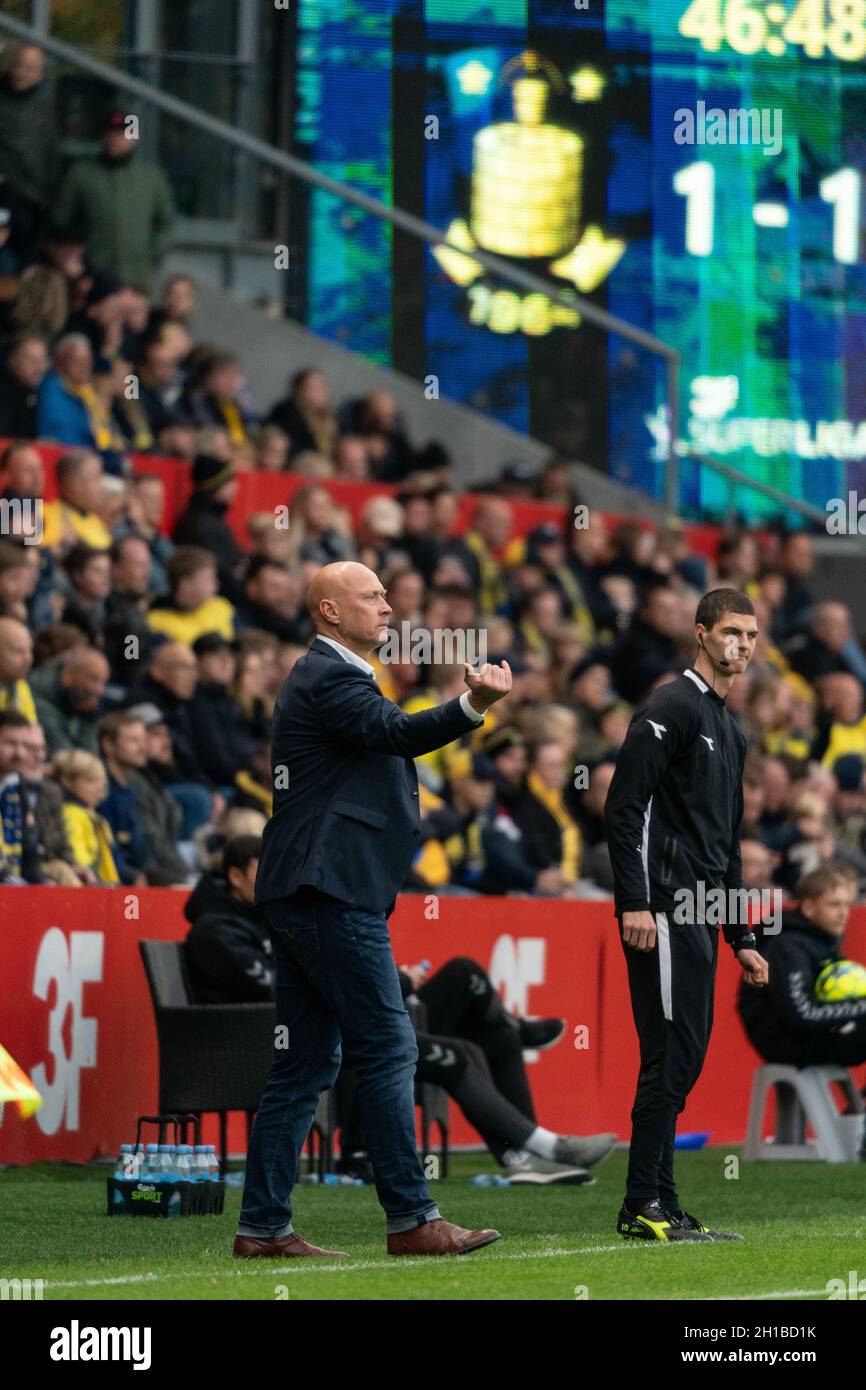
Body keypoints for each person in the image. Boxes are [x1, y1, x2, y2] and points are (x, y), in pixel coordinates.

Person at [235, 560, 512, 1260]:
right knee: (388, 1046)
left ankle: (263, 1229)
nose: (389, 607)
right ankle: (411, 1218)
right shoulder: (329, 675)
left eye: (389, 594)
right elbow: (397, 735)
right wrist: (471, 705)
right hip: (330, 891)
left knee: (302, 1066)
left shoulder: (332, 676)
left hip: (309, 889)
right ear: (329, 611)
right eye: (373, 596)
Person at [604, 587, 768, 1242]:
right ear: (701, 634)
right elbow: (623, 808)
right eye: (731, 631)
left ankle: (662, 1204)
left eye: (752, 635)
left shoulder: (732, 729)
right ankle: (643, 1202)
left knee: (685, 1056)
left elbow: (724, 847)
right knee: (671, 1054)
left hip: (702, 911)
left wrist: (745, 937)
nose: (743, 645)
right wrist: (636, 902)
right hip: (666, 908)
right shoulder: (670, 706)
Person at [738, 861, 866, 1066]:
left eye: (846, 904)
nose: (843, 913)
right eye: (834, 904)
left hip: (810, 1035)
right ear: (808, 907)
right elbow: (802, 1014)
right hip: (787, 1041)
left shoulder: (821, 940)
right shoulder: (787, 946)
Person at [52, 109, 174, 291]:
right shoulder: (81, 173)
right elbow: (60, 219)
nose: (116, 138)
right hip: (91, 274)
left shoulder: (151, 177)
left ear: (134, 137)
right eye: (111, 132)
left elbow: (165, 222)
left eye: (123, 133)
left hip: (137, 276)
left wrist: (151, 254)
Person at [184, 834, 274, 1003]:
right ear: (236, 877)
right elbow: (270, 989)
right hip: (237, 1026)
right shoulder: (215, 930)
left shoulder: (264, 919)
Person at [0, 334, 47, 437]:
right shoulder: (3, 394)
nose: (39, 367)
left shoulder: (34, 394)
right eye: (32, 360)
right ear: (12, 361)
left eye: (42, 360)